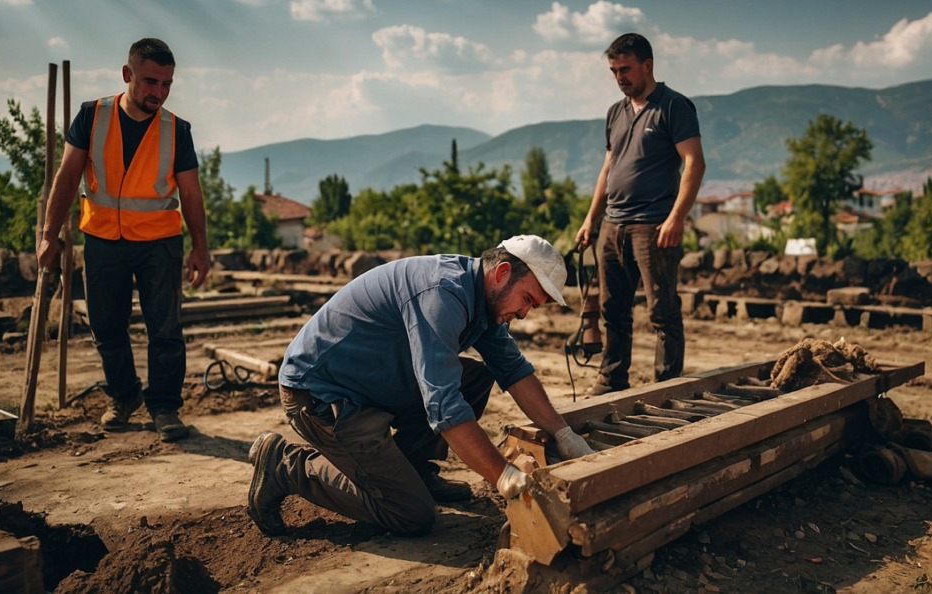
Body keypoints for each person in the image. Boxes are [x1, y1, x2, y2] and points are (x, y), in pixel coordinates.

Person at [248, 235, 594, 537]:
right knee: (411, 514)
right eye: (528, 299)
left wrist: (564, 434)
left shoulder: (483, 300)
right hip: (323, 394)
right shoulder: (443, 293)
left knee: (473, 376)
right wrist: (503, 475)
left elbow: (514, 371)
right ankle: (285, 465)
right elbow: (443, 405)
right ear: (502, 273)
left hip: (370, 382)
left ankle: (414, 470)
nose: (524, 314)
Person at [37, 38, 210, 442]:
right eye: (151, 81)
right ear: (127, 75)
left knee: (165, 330)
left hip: (160, 242)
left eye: (167, 84)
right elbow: (65, 180)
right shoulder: (91, 116)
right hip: (101, 238)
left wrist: (201, 247)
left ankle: (164, 407)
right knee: (105, 326)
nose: (159, 92)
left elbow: (191, 194)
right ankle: (125, 396)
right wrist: (49, 234)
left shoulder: (177, 130)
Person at [575, 32, 706, 396]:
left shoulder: (673, 106)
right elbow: (607, 170)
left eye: (626, 69)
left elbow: (694, 163)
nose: (620, 78)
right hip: (612, 226)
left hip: (653, 225)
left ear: (647, 65)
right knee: (612, 310)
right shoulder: (615, 112)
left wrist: (676, 218)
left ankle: (666, 386)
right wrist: (591, 220)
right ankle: (612, 380)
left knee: (662, 311)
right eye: (614, 71)